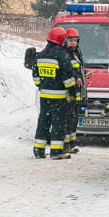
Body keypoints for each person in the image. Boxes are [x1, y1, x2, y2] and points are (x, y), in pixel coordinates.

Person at [32, 27, 76, 160]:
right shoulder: (62, 56)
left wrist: (44, 86)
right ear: (61, 40)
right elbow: (68, 79)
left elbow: (36, 77)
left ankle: (39, 151)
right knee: (58, 123)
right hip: (59, 96)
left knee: (43, 122)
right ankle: (56, 152)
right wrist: (72, 93)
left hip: (44, 96)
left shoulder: (40, 55)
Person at [62, 27, 87, 154]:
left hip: (77, 93)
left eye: (76, 40)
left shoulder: (76, 53)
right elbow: (66, 70)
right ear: (65, 40)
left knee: (73, 120)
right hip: (68, 94)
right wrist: (76, 77)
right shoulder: (65, 54)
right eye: (71, 40)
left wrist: (82, 75)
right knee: (68, 120)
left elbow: (77, 68)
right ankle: (65, 145)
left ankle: (71, 144)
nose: (74, 43)